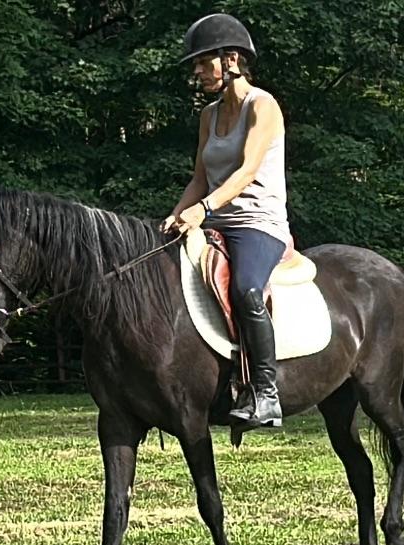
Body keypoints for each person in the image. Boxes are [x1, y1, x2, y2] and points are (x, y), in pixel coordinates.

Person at [161, 13, 290, 434]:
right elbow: (200, 176)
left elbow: (247, 171)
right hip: (213, 220)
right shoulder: (209, 116)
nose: (197, 71)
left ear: (231, 59)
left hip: (259, 224)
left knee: (246, 288)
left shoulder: (263, 106)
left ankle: (266, 392)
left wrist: (204, 209)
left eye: (203, 62)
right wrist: (180, 212)